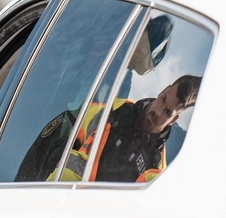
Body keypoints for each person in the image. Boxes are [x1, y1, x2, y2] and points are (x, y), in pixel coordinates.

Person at [49, 75, 201, 182]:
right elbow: (59, 129)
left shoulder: (154, 171)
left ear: (173, 120)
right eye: (163, 100)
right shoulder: (113, 109)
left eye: (168, 112)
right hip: (46, 196)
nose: (158, 112)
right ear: (163, 91)